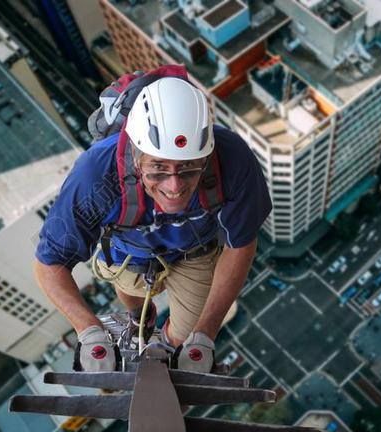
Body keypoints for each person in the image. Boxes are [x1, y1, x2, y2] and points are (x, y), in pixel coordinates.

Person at [34, 73, 271, 374]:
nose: (174, 187)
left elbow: (241, 244)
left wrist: (205, 335)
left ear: (207, 155)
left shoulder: (233, 159)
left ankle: (166, 347)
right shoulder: (96, 175)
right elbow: (50, 263)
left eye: (188, 169)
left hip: (194, 251)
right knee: (129, 286)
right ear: (135, 155)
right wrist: (89, 331)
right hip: (129, 251)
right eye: (158, 168)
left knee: (188, 333)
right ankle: (138, 318)